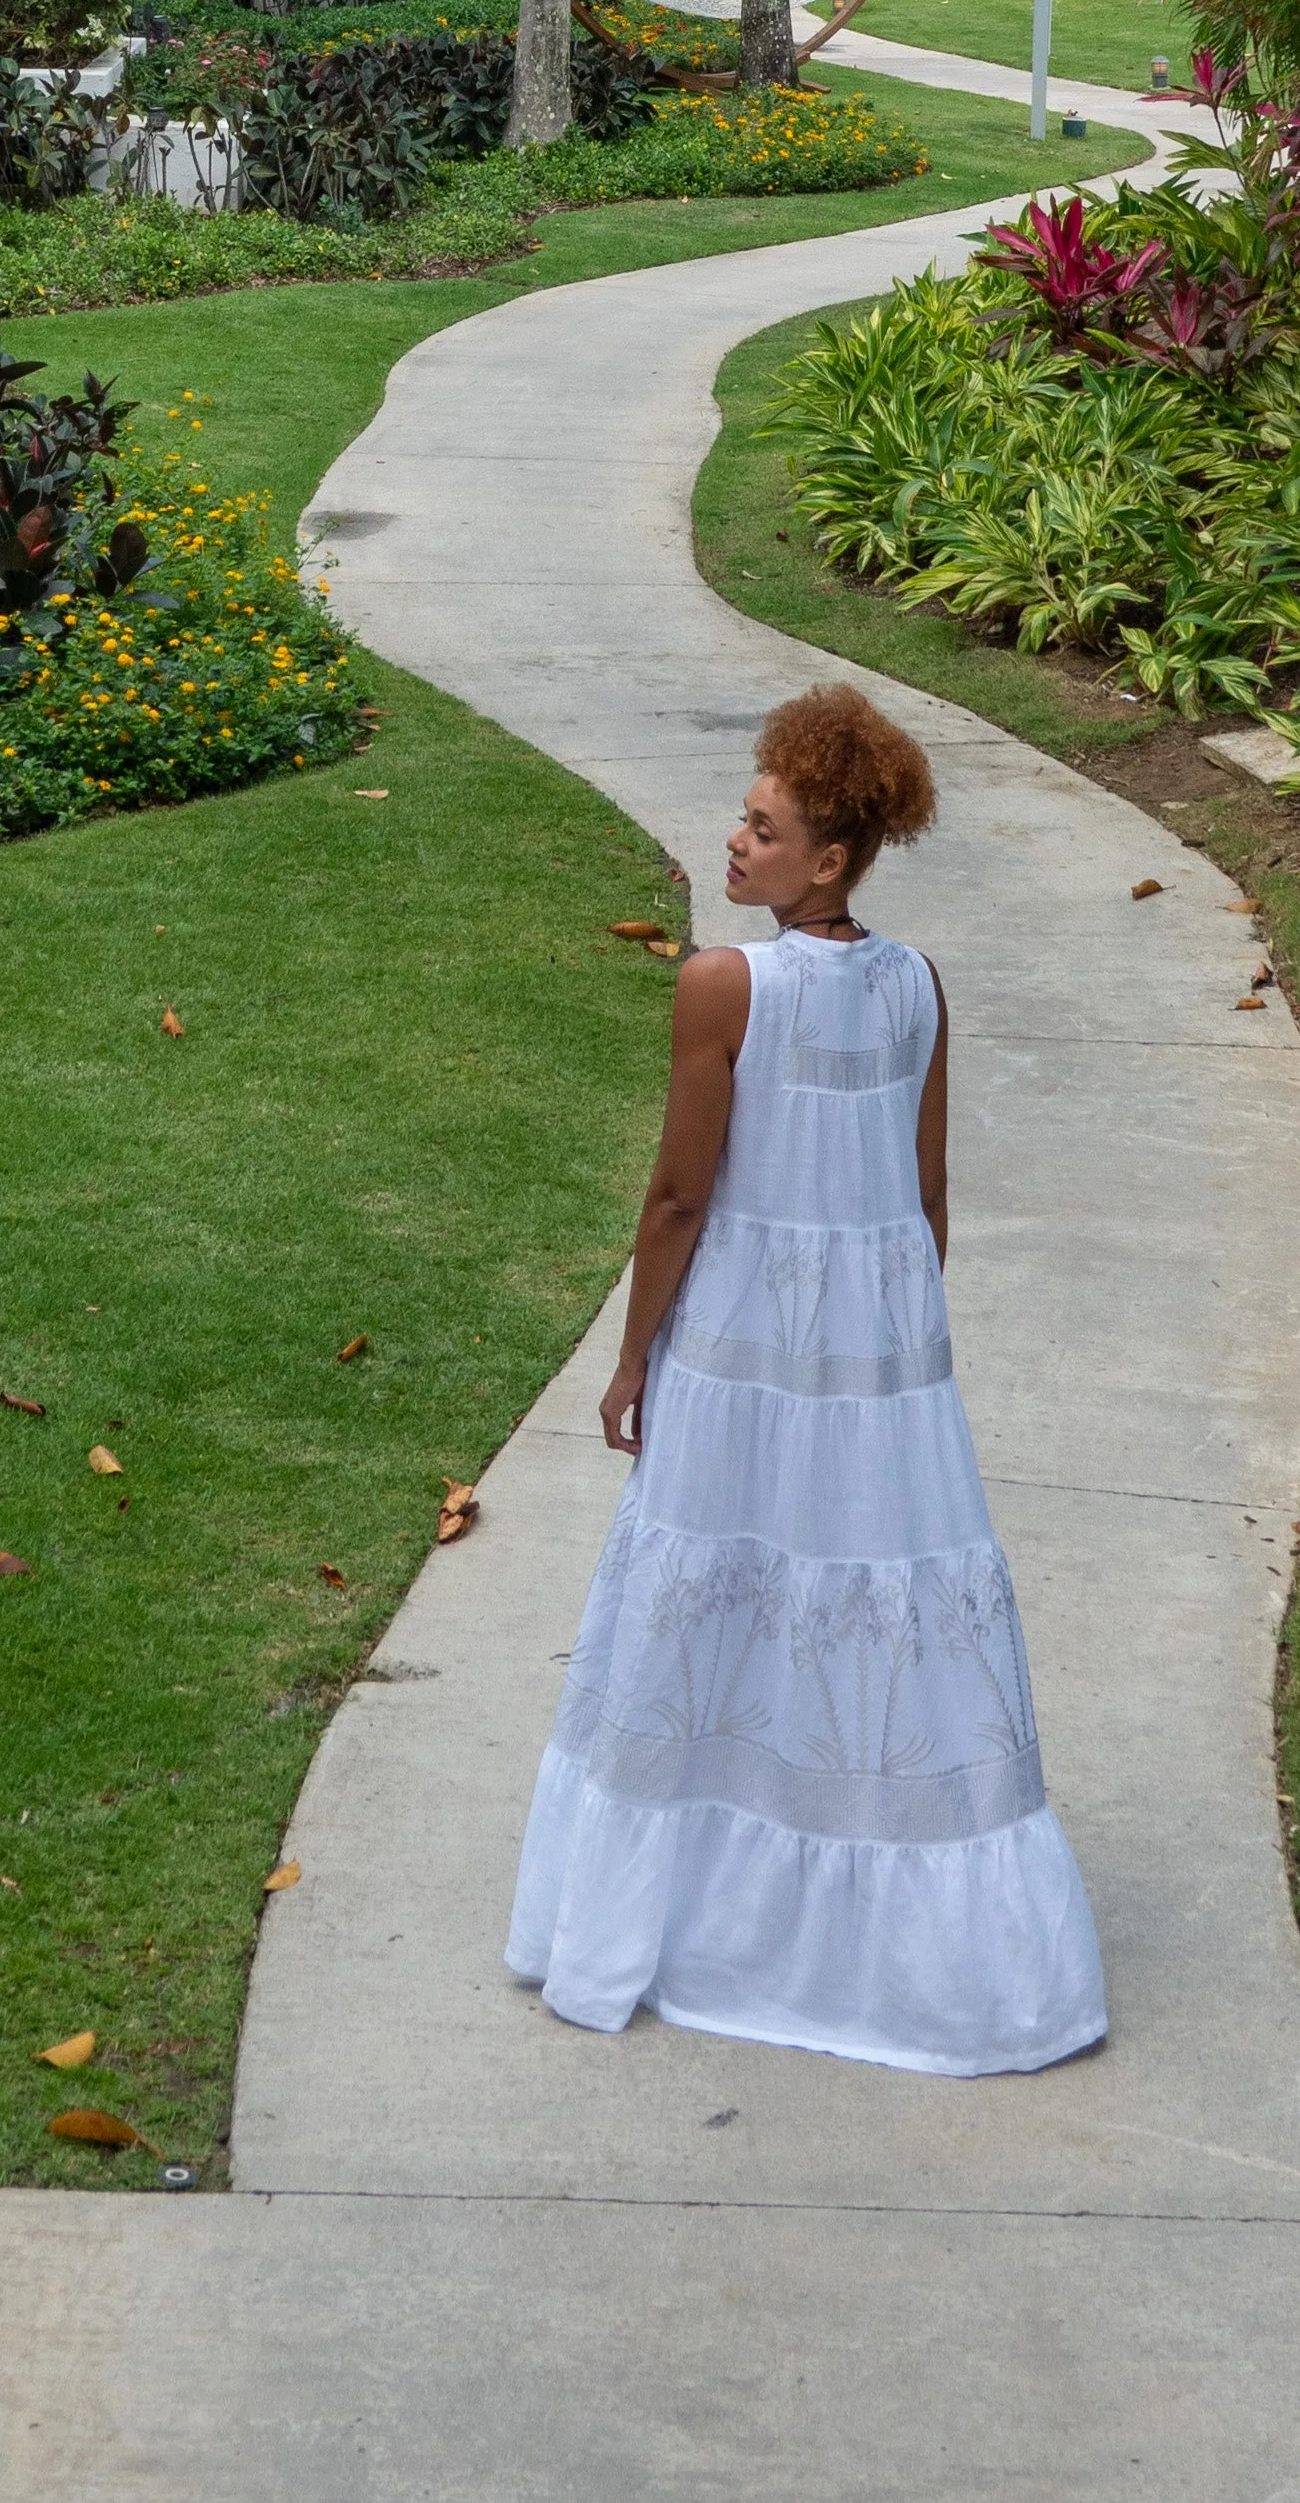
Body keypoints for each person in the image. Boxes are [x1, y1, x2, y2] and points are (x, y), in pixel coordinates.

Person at [505, 683, 1107, 2077]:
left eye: (762, 828)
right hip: (881, 1373)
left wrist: (630, 1357)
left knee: (707, 1610)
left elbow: (676, 1196)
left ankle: (685, 1924)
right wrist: (893, 1369)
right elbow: (927, 1194)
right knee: (875, 1630)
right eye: (742, 818)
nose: (734, 844)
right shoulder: (915, 985)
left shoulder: (725, 984)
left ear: (827, 860)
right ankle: (913, 1965)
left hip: (735, 1358)